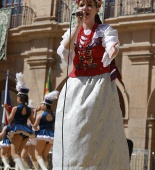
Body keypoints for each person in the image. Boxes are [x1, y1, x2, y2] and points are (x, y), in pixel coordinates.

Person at [53, 0, 130, 169]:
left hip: (98, 87)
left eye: (89, 5)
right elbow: (65, 51)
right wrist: (78, 25)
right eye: (81, 5)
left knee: (94, 132)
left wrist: (112, 50)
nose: (85, 8)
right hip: (75, 87)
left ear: (97, 8)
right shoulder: (72, 32)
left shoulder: (105, 31)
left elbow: (111, 45)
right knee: (72, 130)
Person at [4, 72, 35, 170]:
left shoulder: (15, 108)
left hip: (17, 130)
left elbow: (9, 120)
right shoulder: (30, 109)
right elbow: (33, 122)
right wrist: (35, 112)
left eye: (17, 97)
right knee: (18, 154)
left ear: (19, 98)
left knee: (13, 154)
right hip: (26, 132)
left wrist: (6, 109)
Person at [32, 91, 58, 170]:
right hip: (51, 136)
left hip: (43, 134)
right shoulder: (53, 115)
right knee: (44, 155)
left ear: (45, 106)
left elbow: (34, 126)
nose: (40, 106)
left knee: (37, 154)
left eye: (42, 104)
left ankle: (44, 169)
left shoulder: (40, 115)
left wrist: (35, 112)